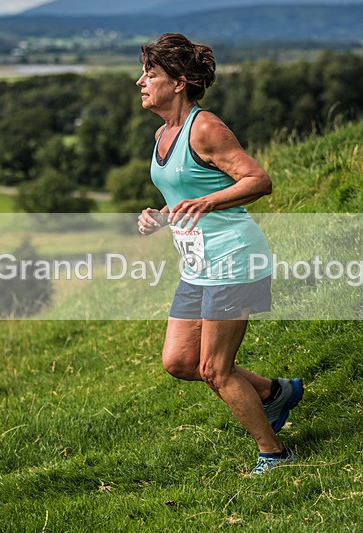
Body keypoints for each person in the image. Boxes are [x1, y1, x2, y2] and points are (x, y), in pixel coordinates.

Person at [135, 33, 304, 475]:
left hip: (233, 256)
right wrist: (162, 216)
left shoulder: (205, 128)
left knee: (214, 367)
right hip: (198, 264)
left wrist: (209, 204)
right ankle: (273, 393)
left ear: (179, 82)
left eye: (150, 75)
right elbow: (191, 192)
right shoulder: (162, 134)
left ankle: (274, 453)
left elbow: (258, 180)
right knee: (179, 361)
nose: (140, 82)